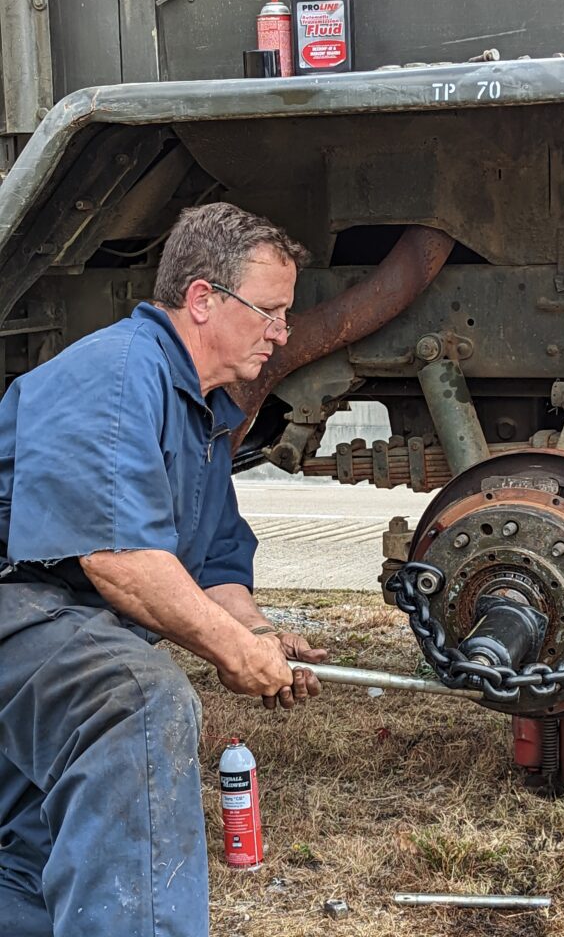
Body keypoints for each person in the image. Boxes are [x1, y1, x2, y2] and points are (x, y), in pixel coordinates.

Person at [0, 202, 327, 937]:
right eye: (270, 311)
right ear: (204, 299)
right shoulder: (117, 372)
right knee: (133, 699)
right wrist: (227, 648)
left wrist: (257, 630)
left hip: (53, 623)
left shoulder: (200, 413)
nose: (282, 332)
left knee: (33, 850)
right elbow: (118, 557)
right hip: (20, 603)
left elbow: (210, 560)